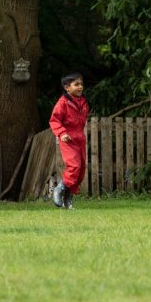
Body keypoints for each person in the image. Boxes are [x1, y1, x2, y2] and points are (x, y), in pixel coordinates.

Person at [49, 71, 90, 210]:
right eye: (76, 84)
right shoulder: (62, 103)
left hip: (80, 138)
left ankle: (68, 199)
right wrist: (62, 133)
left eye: (81, 84)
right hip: (68, 139)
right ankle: (59, 190)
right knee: (74, 167)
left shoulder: (83, 101)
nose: (80, 87)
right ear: (67, 87)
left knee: (81, 170)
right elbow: (54, 120)